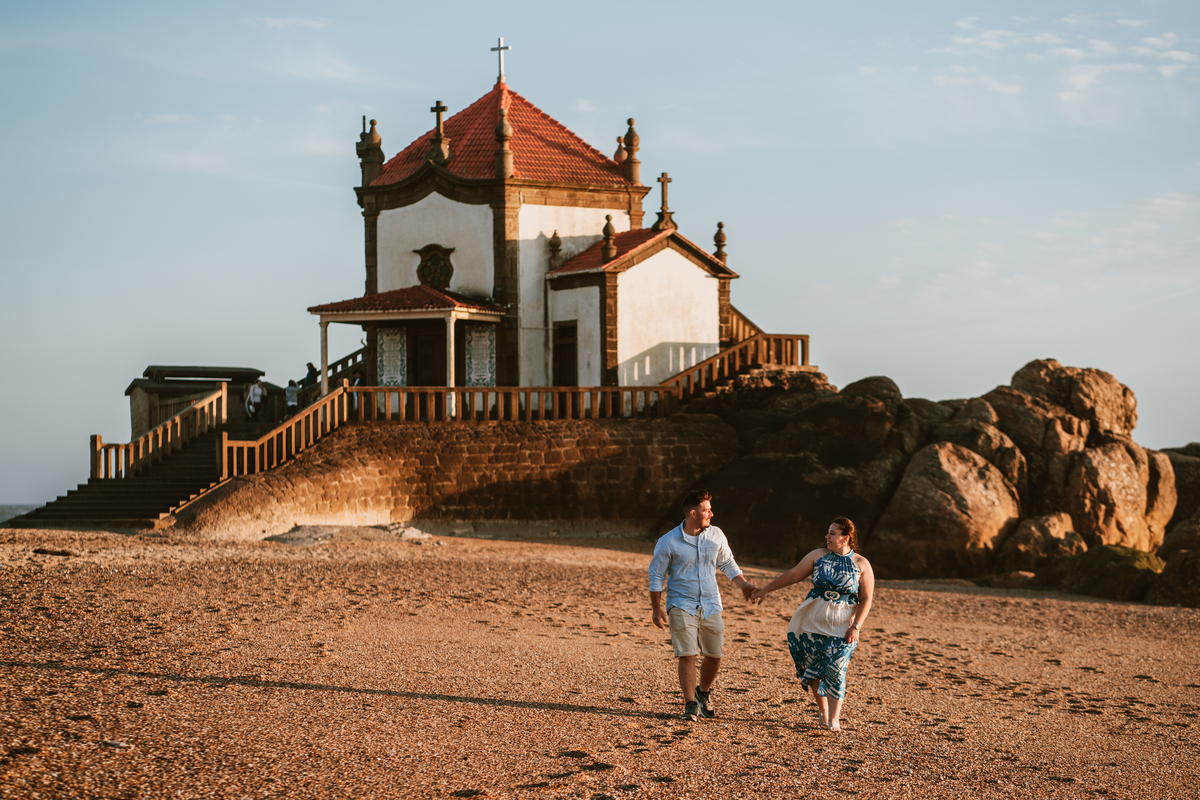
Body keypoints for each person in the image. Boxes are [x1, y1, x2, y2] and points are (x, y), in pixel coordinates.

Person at [750, 516, 874, 732]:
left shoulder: (861, 563)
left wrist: (856, 626)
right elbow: (794, 574)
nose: (827, 536)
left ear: (845, 538)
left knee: (837, 669)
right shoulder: (818, 555)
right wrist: (766, 589)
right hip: (810, 622)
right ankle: (823, 713)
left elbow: (866, 598)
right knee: (814, 669)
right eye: (828, 533)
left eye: (832, 534)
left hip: (842, 625)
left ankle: (835, 718)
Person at [648, 489, 758, 721]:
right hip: (681, 604)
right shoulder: (668, 542)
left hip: (710, 603)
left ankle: (702, 692)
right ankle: (690, 704)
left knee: (714, 655)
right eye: (707, 510)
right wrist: (656, 608)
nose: (712, 513)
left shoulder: (716, 535)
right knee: (687, 654)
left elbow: (727, 563)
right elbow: (657, 576)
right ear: (693, 513)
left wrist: (743, 585)